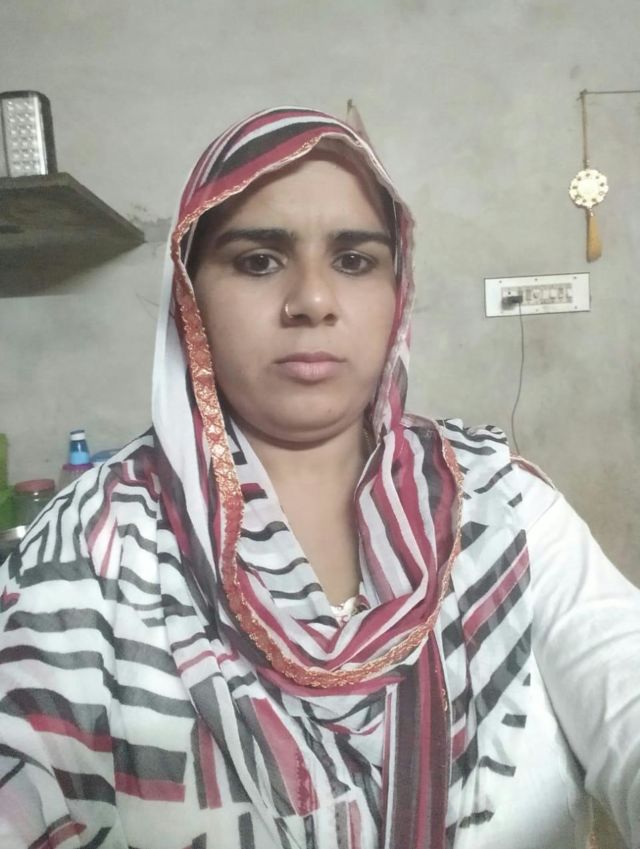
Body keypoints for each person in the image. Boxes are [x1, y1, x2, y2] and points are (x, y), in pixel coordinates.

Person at [0, 106, 638, 849]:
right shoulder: (84, 549)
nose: (312, 300)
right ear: (189, 296)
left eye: (354, 261)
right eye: (258, 261)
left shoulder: (501, 504)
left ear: (397, 292)